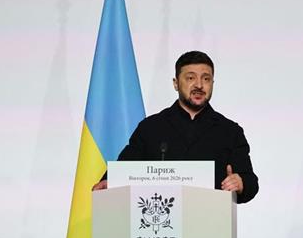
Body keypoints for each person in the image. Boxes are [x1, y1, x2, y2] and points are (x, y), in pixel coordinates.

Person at [93, 50, 258, 203]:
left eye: (206, 79)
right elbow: (125, 168)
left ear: (212, 83)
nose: (199, 85)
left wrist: (241, 183)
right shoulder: (150, 128)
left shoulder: (230, 131)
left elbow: (251, 183)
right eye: (190, 78)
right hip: (158, 227)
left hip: (210, 226)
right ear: (176, 83)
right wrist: (109, 182)